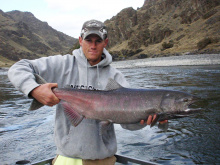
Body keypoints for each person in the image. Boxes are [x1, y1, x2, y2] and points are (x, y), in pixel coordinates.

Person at [8, 19, 167, 165]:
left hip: (102, 160)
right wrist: (34, 89)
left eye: (98, 41)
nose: (93, 45)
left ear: (105, 43)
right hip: (66, 158)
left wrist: (144, 121)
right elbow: (19, 68)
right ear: (80, 41)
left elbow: (127, 125)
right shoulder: (62, 64)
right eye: (88, 40)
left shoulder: (116, 77)